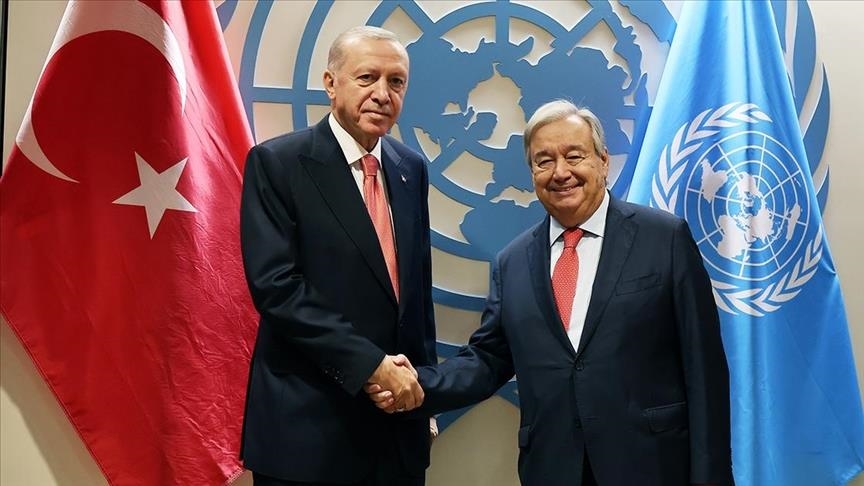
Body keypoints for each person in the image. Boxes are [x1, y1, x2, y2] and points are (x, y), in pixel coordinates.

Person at [369, 100, 734, 485]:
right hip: (554, 468)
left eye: (574, 156)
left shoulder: (664, 238)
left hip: (651, 467)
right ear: (532, 173)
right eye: (544, 161)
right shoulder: (512, 262)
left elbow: (704, 371)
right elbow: (487, 361)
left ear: (603, 162)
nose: (561, 172)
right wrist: (414, 385)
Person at [239, 26, 436, 485]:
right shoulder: (277, 164)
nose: (383, 94)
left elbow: (416, 297)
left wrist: (425, 397)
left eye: (396, 81)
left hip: (396, 433)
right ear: (331, 83)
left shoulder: (410, 168)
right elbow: (278, 290)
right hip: (308, 433)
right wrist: (371, 366)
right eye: (367, 77)